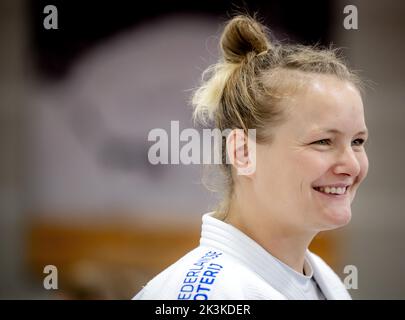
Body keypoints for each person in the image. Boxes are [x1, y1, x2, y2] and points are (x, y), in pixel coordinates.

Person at [133, 14, 369, 300]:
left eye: (357, 141)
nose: (352, 165)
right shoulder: (207, 296)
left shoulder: (325, 280)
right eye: (323, 141)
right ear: (243, 153)